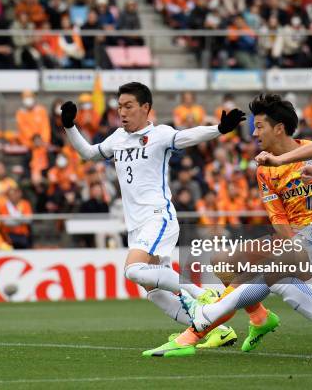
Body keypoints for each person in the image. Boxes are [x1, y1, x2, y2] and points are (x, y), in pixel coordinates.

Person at [147, 53, 312, 362]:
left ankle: (200, 324)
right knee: (255, 269)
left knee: (270, 272)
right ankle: (296, 325)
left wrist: (281, 160)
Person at [60, 82, 247, 347]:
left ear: (145, 108)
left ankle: (202, 294)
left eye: (128, 106)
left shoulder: (159, 134)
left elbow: (187, 136)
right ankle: (213, 328)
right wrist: (69, 126)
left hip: (158, 216)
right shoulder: (117, 138)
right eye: (119, 106)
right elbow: (89, 154)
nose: (122, 112)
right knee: (154, 290)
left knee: (134, 270)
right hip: (136, 225)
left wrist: (219, 130)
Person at [145, 93, 312, 356]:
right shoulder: (265, 167)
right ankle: (260, 318)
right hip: (292, 238)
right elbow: (277, 216)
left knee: (248, 276)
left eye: (259, 126)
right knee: (222, 262)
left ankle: (193, 335)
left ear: (279, 129)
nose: (253, 133)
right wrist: (290, 246)